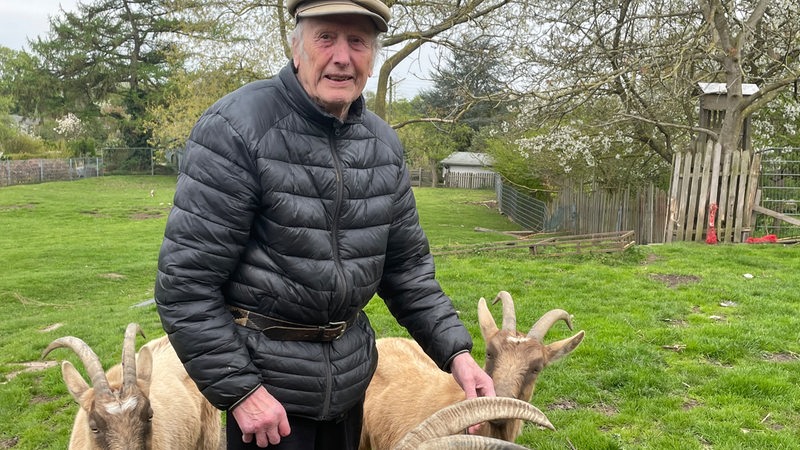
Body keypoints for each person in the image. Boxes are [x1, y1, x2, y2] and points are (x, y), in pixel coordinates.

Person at [154, 0, 495, 448]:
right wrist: (242, 391)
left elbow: (407, 271)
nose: (341, 56)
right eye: (326, 37)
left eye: (357, 41)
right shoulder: (236, 129)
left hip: (351, 387)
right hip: (267, 401)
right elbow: (185, 284)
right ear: (297, 48)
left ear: (371, 58)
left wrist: (457, 353)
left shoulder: (383, 146)